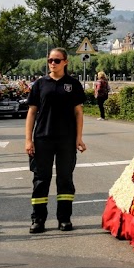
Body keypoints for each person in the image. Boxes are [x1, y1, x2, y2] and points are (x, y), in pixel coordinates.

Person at [25, 48, 86, 233]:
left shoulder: (73, 84)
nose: (53, 63)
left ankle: (64, 219)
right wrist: (29, 140)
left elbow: (78, 113)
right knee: (41, 180)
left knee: (65, 179)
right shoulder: (39, 84)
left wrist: (79, 138)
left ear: (65, 62)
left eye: (57, 60)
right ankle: (38, 220)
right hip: (42, 138)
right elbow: (32, 113)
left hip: (66, 140)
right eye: (50, 60)